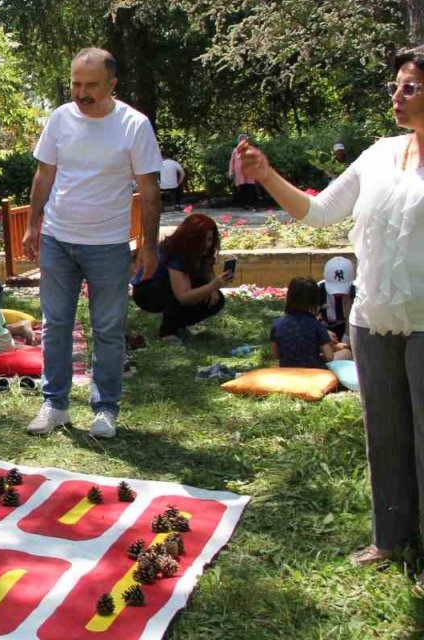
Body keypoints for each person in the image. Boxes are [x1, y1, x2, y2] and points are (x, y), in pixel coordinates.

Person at [235, 44, 424, 577]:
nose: (398, 95)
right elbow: (317, 214)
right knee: (384, 435)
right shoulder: (379, 154)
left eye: (410, 87)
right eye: (396, 86)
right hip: (373, 318)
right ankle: (391, 539)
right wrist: (267, 174)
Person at [23, 47, 162, 439]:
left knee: (107, 329)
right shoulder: (60, 119)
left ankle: (105, 409)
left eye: (91, 86)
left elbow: (150, 190)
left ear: (112, 84)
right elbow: (44, 174)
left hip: (108, 243)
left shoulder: (134, 125)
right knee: (55, 326)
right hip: (57, 240)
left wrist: (149, 246)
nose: (81, 93)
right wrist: (34, 225)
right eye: (76, 84)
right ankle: (55, 404)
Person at [131, 213, 233, 343]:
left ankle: (178, 324)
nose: (208, 244)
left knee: (216, 299)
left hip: (168, 288)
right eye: (203, 239)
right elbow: (183, 297)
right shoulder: (176, 252)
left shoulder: (202, 250)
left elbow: (207, 270)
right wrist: (212, 285)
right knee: (177, 291)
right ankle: (168, 332)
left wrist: (212, 289)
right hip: (146, 292)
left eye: (210, 239)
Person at [270, 277, 352, 368]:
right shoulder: (317, 326)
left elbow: (275, 354)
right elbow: (329, 357)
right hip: (313, 372)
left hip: (288, 369)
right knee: (347, 353)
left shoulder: (277, 324)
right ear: (315, 300)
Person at [318, 256, 356, 342]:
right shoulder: (318, 290)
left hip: (346, 327)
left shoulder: (355, 293)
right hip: (322, 328)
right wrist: (322, 332)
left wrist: (346, 337)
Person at [228, 133, 260, 210]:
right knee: (242, 189)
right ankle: (245, 205)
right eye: (241, 139)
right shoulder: (235, 150)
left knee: (250, 188)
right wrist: (231, 172)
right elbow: (232, 161)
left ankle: (253, 205)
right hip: (239, 173)